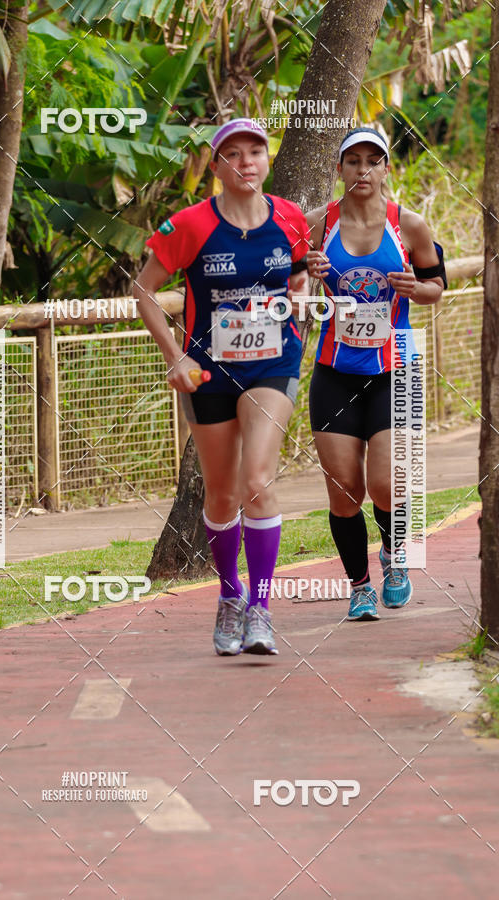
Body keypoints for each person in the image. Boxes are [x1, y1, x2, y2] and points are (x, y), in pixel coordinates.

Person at [134, 118, 310, 655]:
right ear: (217, 168)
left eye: (255, 151)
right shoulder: (188, 225)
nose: (246, 161)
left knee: (258, 479)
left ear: (266, 158)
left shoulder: (291, 217)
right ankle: (229, 594)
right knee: (223, 493)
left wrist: (299, 309)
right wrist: (176, 355)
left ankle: (261, 607)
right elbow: (142, 289)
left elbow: (298, 275)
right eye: (232, 154)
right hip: (207, 373)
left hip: (273, 366)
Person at [305, 126, 445, 621]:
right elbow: (288, 287)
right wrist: (307, 273)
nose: (362, 170)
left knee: (387, 485)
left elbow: (436, 287)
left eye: (373, 160)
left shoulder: (410, 226)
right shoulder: (317, 223)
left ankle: (396, 558)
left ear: (386, 167)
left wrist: (414, 287)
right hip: (333, 372)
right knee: (345, 491)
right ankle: (360, 585)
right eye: (352, 161)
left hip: (393, 369)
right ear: (339, 169)